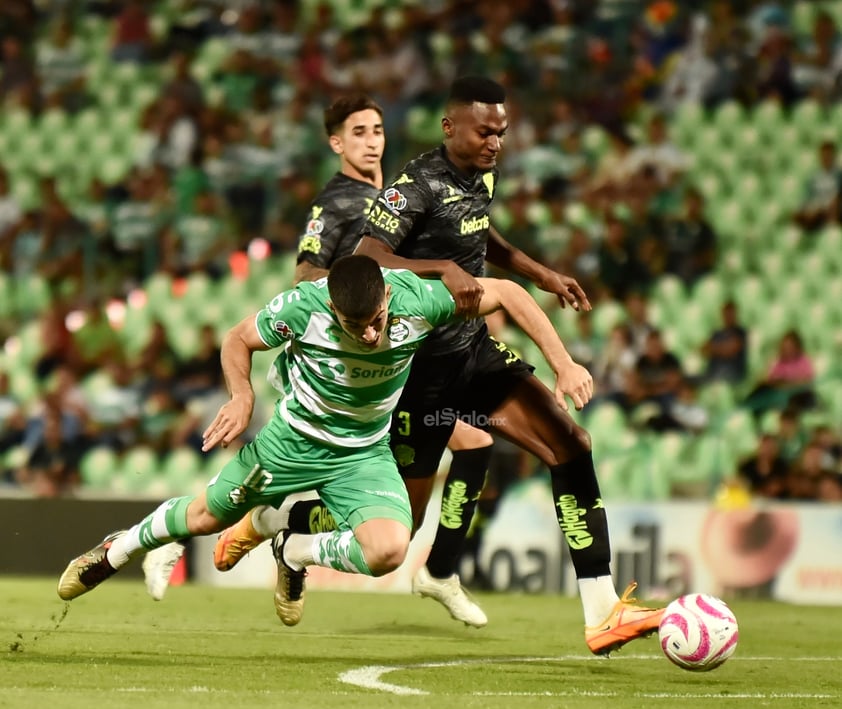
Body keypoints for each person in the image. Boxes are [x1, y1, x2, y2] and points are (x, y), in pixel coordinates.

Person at [214, 76, 665, 655]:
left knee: (570, 442)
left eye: (501, 132)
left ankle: (601, 610)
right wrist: (438, 268)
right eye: (484, 131)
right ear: (450, 127)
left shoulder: (481, 174)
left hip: (471, 352)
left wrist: (539, 272)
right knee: (402, 522)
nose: (495, 142)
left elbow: (481, 235)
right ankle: (284, 529)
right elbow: (367, 256)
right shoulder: (412, 185)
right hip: (413, 375)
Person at [57, 256, 595, 628]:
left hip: (363, 453)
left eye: (376, 320)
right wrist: (241, 396)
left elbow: (508, 292)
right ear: (333, 307)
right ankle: (120, 547)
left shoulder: (420, 299)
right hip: (290, 443)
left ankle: (293, 549)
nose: (367, 334)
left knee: (389, 550)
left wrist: (563, 362)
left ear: (388, 294)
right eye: (352, 325)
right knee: (203, 520)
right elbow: (238, 338)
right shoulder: (302, 306)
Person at [147, 93, 498, 626]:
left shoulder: (400, 194)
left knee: (469, 449)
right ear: (337, 143)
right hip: (354, 355)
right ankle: (263, 530)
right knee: (451, 457)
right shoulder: (337, 203)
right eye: (358, 132)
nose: (372, 139)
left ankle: (285, 531)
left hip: (403, 345)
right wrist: (353, 299)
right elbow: (307, 276)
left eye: (377, 128)